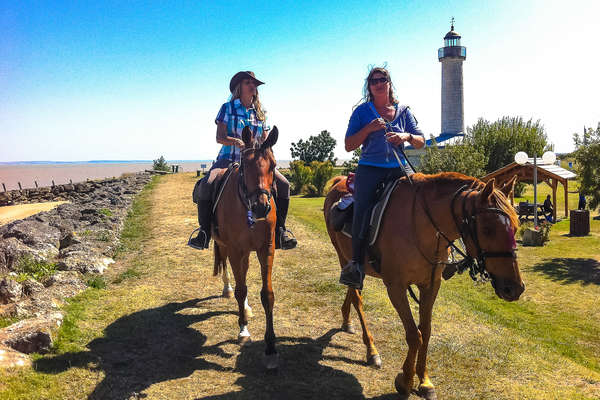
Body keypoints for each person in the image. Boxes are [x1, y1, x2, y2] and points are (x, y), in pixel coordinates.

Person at [188, 71, 297, 251]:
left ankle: (280, 232)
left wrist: (265, 147)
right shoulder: (227, 108)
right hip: (228, 158)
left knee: (284, 184)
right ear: (239, 87)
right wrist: (236, 141)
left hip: (255, 162)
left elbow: (265, 140)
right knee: (207, 184)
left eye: (254, 83)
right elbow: (220, 137)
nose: (252, 85)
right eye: (248, 82)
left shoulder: (261, 113)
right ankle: (204, 233)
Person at [339, 67, 425, 289]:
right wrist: (368, 128)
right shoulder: (361, 112)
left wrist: (405, 136)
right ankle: (356, 265)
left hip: (400, 168)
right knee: (363, 208)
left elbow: (421, 141)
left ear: (389, 83)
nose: (378, 83)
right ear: (369, 86)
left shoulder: (403, 111)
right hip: (370, 168)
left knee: (423, 200)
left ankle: (436, 253)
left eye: (382, 79)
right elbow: (349, 146)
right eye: (374, 80)